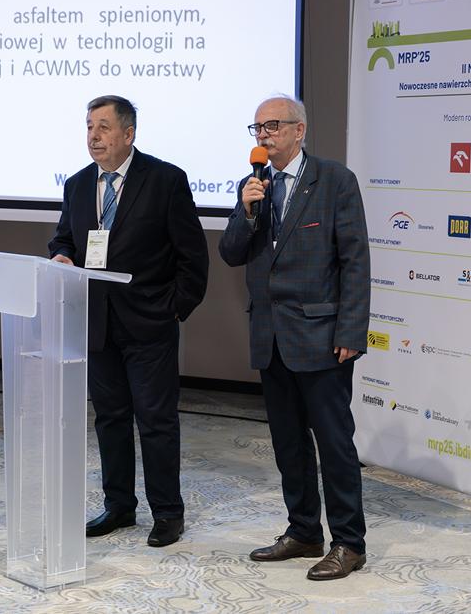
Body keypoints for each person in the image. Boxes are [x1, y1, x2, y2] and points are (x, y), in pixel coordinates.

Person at [218, 95, 371, 580]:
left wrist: (351, 330)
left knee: (334, 444)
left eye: (273, 126)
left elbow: (355, 261)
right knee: (288, 444)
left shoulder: (335, 180)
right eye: (257, 128)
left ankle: (349, 542)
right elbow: (231, 253)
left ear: (299, 130)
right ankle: (304, 531)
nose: (263, 135)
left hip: (323, 337)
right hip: (271, 336)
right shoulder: (253, 185)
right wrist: (247, 212)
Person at [49, 94, 208, 547]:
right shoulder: (78, 184)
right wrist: (61, 255)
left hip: (150, 324)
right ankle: (118, 505)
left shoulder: (165, 180)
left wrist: (174, 308)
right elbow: (64, 238)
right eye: (88, 127)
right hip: (97, 323)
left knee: (156, 421)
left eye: (103, 127)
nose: (93, 136)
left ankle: (168, 512)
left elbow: (192, 256)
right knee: (110, 419)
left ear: (128, 133)